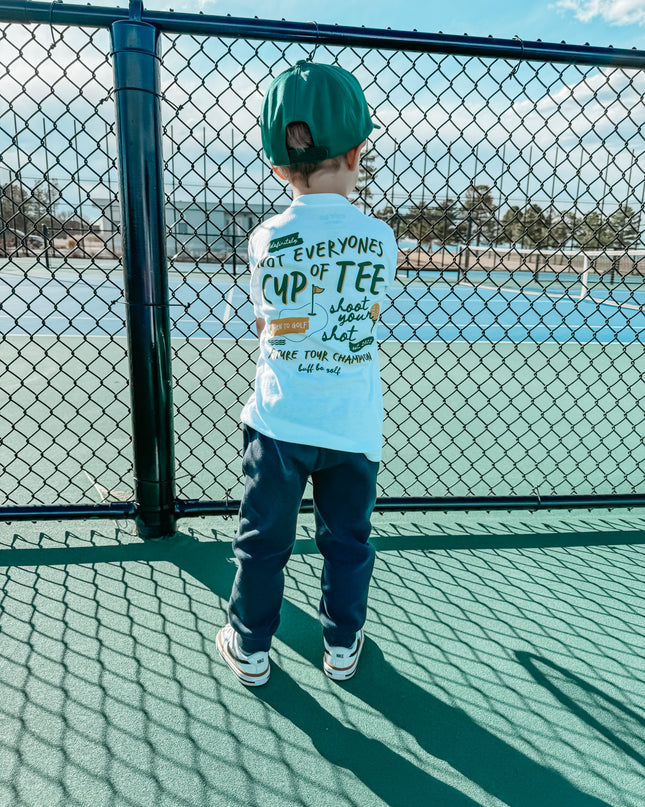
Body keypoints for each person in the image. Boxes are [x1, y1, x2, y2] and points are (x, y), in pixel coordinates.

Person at [217, 60, 398, 686]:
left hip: (279, 420)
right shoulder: (380, 237)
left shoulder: (265, 237)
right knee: (347, 542)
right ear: (356, 153)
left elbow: (270, 323)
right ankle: (342, 643)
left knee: (263, 539)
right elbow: (366, 312)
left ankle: (250, 646)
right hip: (351, 424)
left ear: (274, 162)